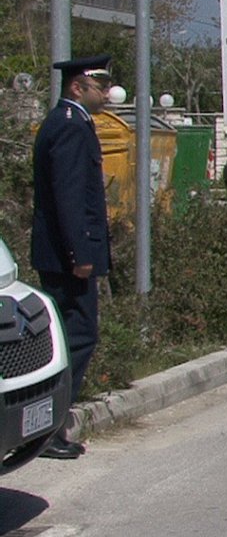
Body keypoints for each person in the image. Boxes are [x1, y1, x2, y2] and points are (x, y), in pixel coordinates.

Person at [31, 55, 115, 460]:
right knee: (76, 338)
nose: (107, 92)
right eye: (100, 85)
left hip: (68, 254)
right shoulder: (68, 126)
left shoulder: (74, 122)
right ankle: (47, 428)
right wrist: (78, 253)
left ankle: (50, 427)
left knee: (72, 338)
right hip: (68, 258)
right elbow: (67, 197)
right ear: (77, 87)